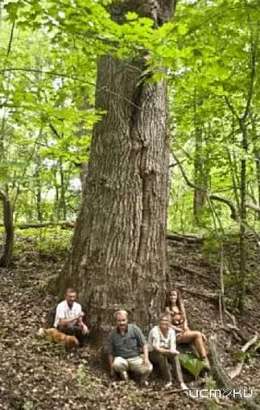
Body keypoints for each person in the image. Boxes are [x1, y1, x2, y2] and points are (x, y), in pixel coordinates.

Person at [165, 289, 210, 369]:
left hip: (184, 331)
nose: (172, 297)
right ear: (168, 297)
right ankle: (204, 360)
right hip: (175, 334)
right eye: (171, 295)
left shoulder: (180, 307)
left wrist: (186, 327)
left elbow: (185, 320)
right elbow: (168, 324)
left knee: (199, 336)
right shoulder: (168, 309)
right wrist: (178, 329)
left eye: (174, 295)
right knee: (197, 334)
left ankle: (204, 359)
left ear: (177, 296)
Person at [107, 310, 153, 385]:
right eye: (119, 321)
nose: (121, 323)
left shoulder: (134, 329)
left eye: (123, 320)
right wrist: (111, 369)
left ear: (127, 320)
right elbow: (110, 352)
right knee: (116, 364)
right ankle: (125, 377)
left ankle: (141, 381)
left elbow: (144, 344)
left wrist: (146, 358)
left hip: (135, 358)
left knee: (149, 368)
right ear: (116, 321)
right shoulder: (112, 334)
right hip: (122, 359)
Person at [148, 313, 187, 389]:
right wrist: (168, 352)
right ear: (159, 322)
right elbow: (157, 348)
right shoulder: (155, 331)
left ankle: (181, 382)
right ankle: (168, 380)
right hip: (153, 353)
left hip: (166, 350)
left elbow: (172, 346)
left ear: (169, 323)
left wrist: (172, 352)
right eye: (162, 320)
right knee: (161, 356)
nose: (164, 323)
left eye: (166, 321)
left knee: (175, 356)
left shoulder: (171, 331)